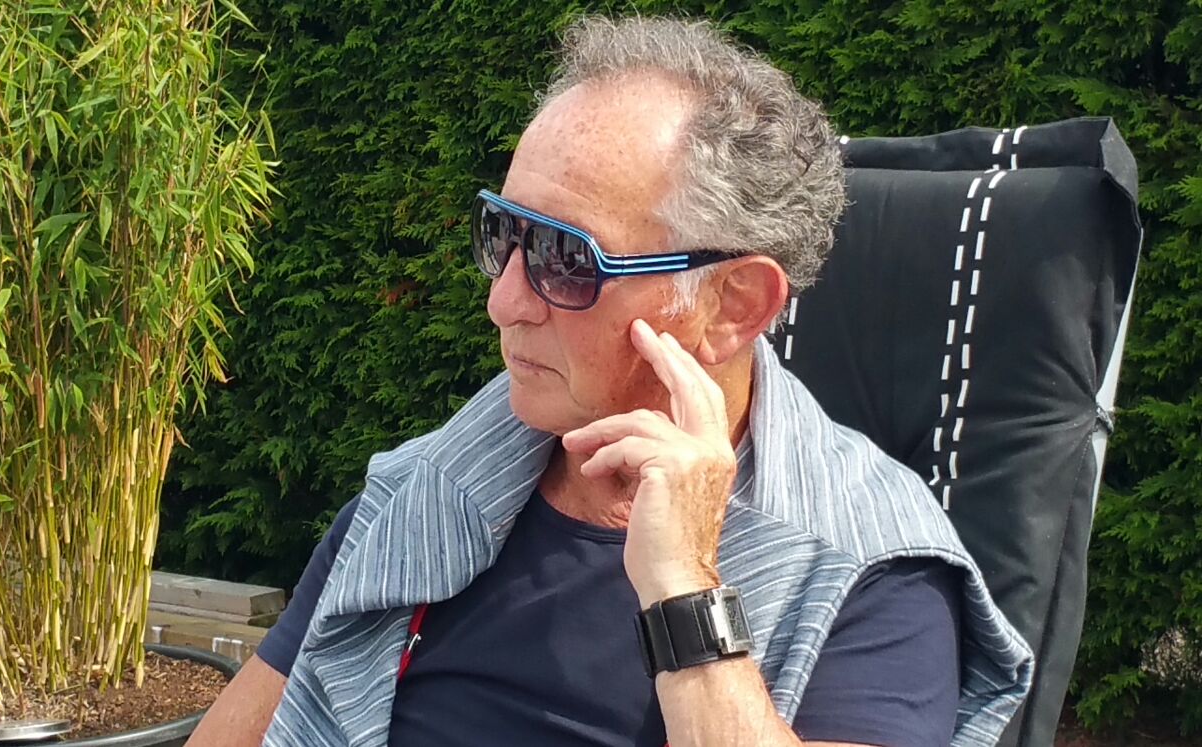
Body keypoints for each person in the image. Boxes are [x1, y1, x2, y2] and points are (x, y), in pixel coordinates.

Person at [186, 15, 1032, 747]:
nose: (503, 300)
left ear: (732, 305)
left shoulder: (873, 571)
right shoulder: (427, 491)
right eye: (503, 233)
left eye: (565, 258)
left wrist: (684, 585)